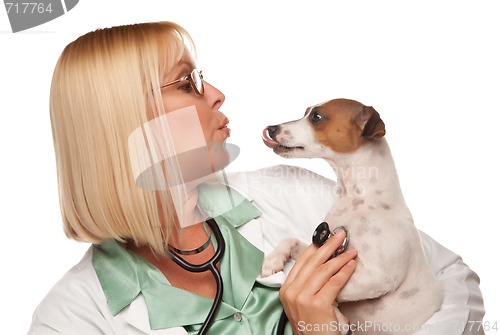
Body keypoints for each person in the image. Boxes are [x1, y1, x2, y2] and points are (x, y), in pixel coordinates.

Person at [28, 21, 485, 335]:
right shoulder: (70, 318)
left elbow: (452, 280)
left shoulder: (290, 191)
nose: (218, 94)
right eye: (187, 83)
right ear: (120, 120)